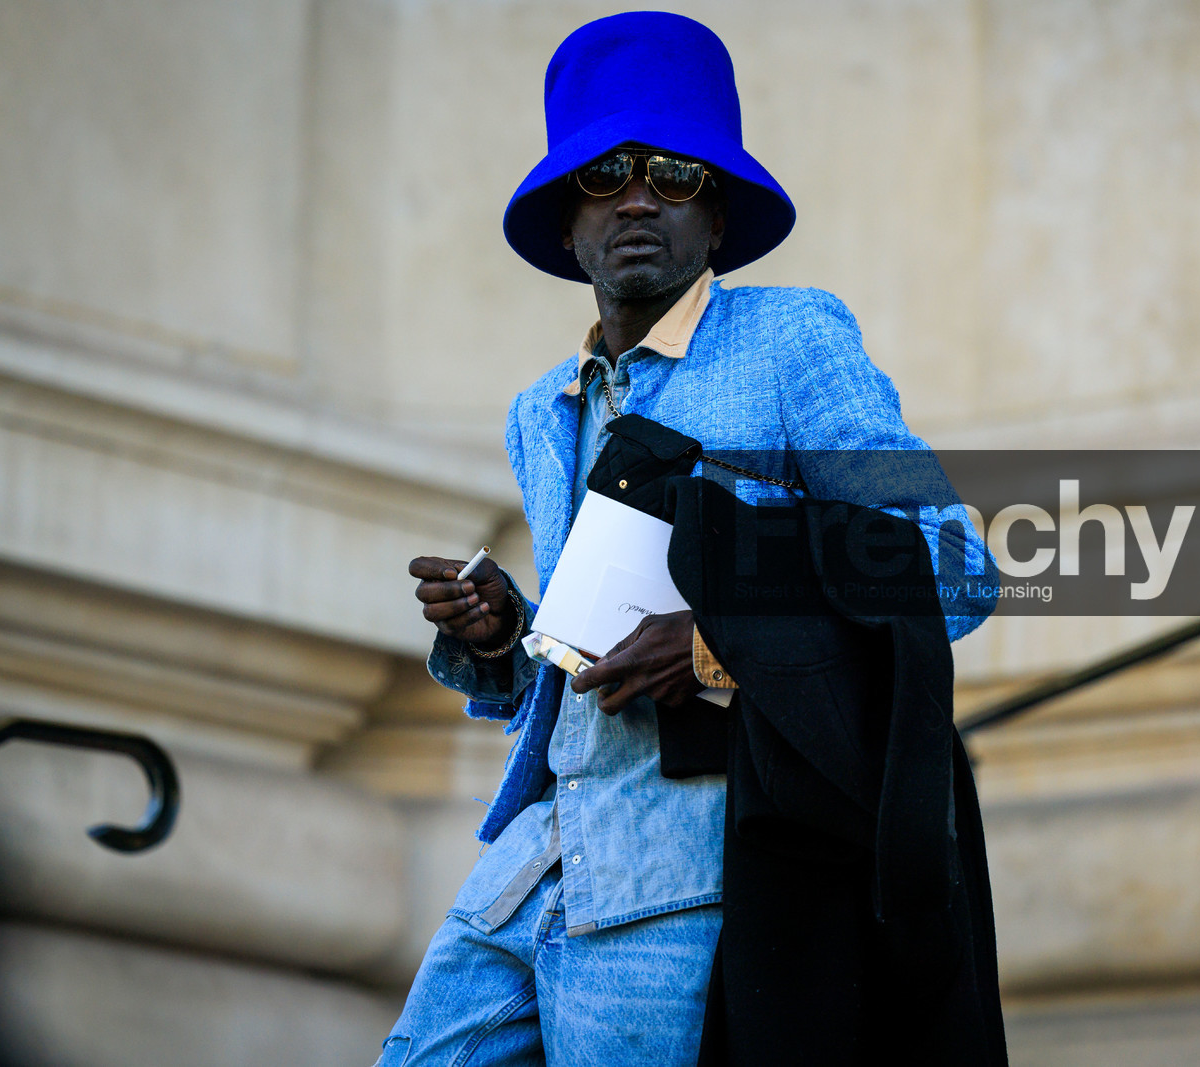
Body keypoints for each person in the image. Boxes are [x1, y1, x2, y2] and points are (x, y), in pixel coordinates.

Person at [377, 12, 997, 1067]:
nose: (636, 197)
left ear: (716, 219)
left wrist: (716, 639)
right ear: (564, 221)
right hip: (536, 853)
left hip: (683, 872)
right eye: (606, 173)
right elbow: (588, 661)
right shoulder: (541, 410)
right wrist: (503, 635)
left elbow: (950, 563)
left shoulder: (790, 338)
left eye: (674, 174)